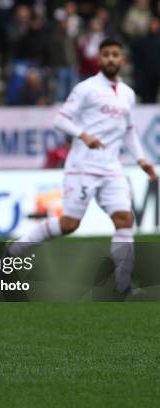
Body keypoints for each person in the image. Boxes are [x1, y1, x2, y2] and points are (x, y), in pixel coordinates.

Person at [8, 39, 157, 295]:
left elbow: (130, 130)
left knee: (124, 219)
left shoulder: (127, 94)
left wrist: (141, 159)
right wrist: (83, 135)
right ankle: (13, 251)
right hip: (83, 166)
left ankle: (123, 285)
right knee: (69, 224)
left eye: (115, 55)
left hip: (112, 167)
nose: (111, 59)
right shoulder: (86, 89)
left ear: (122, 60)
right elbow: (61, 120)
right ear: (99, 59)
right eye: (106, 54)